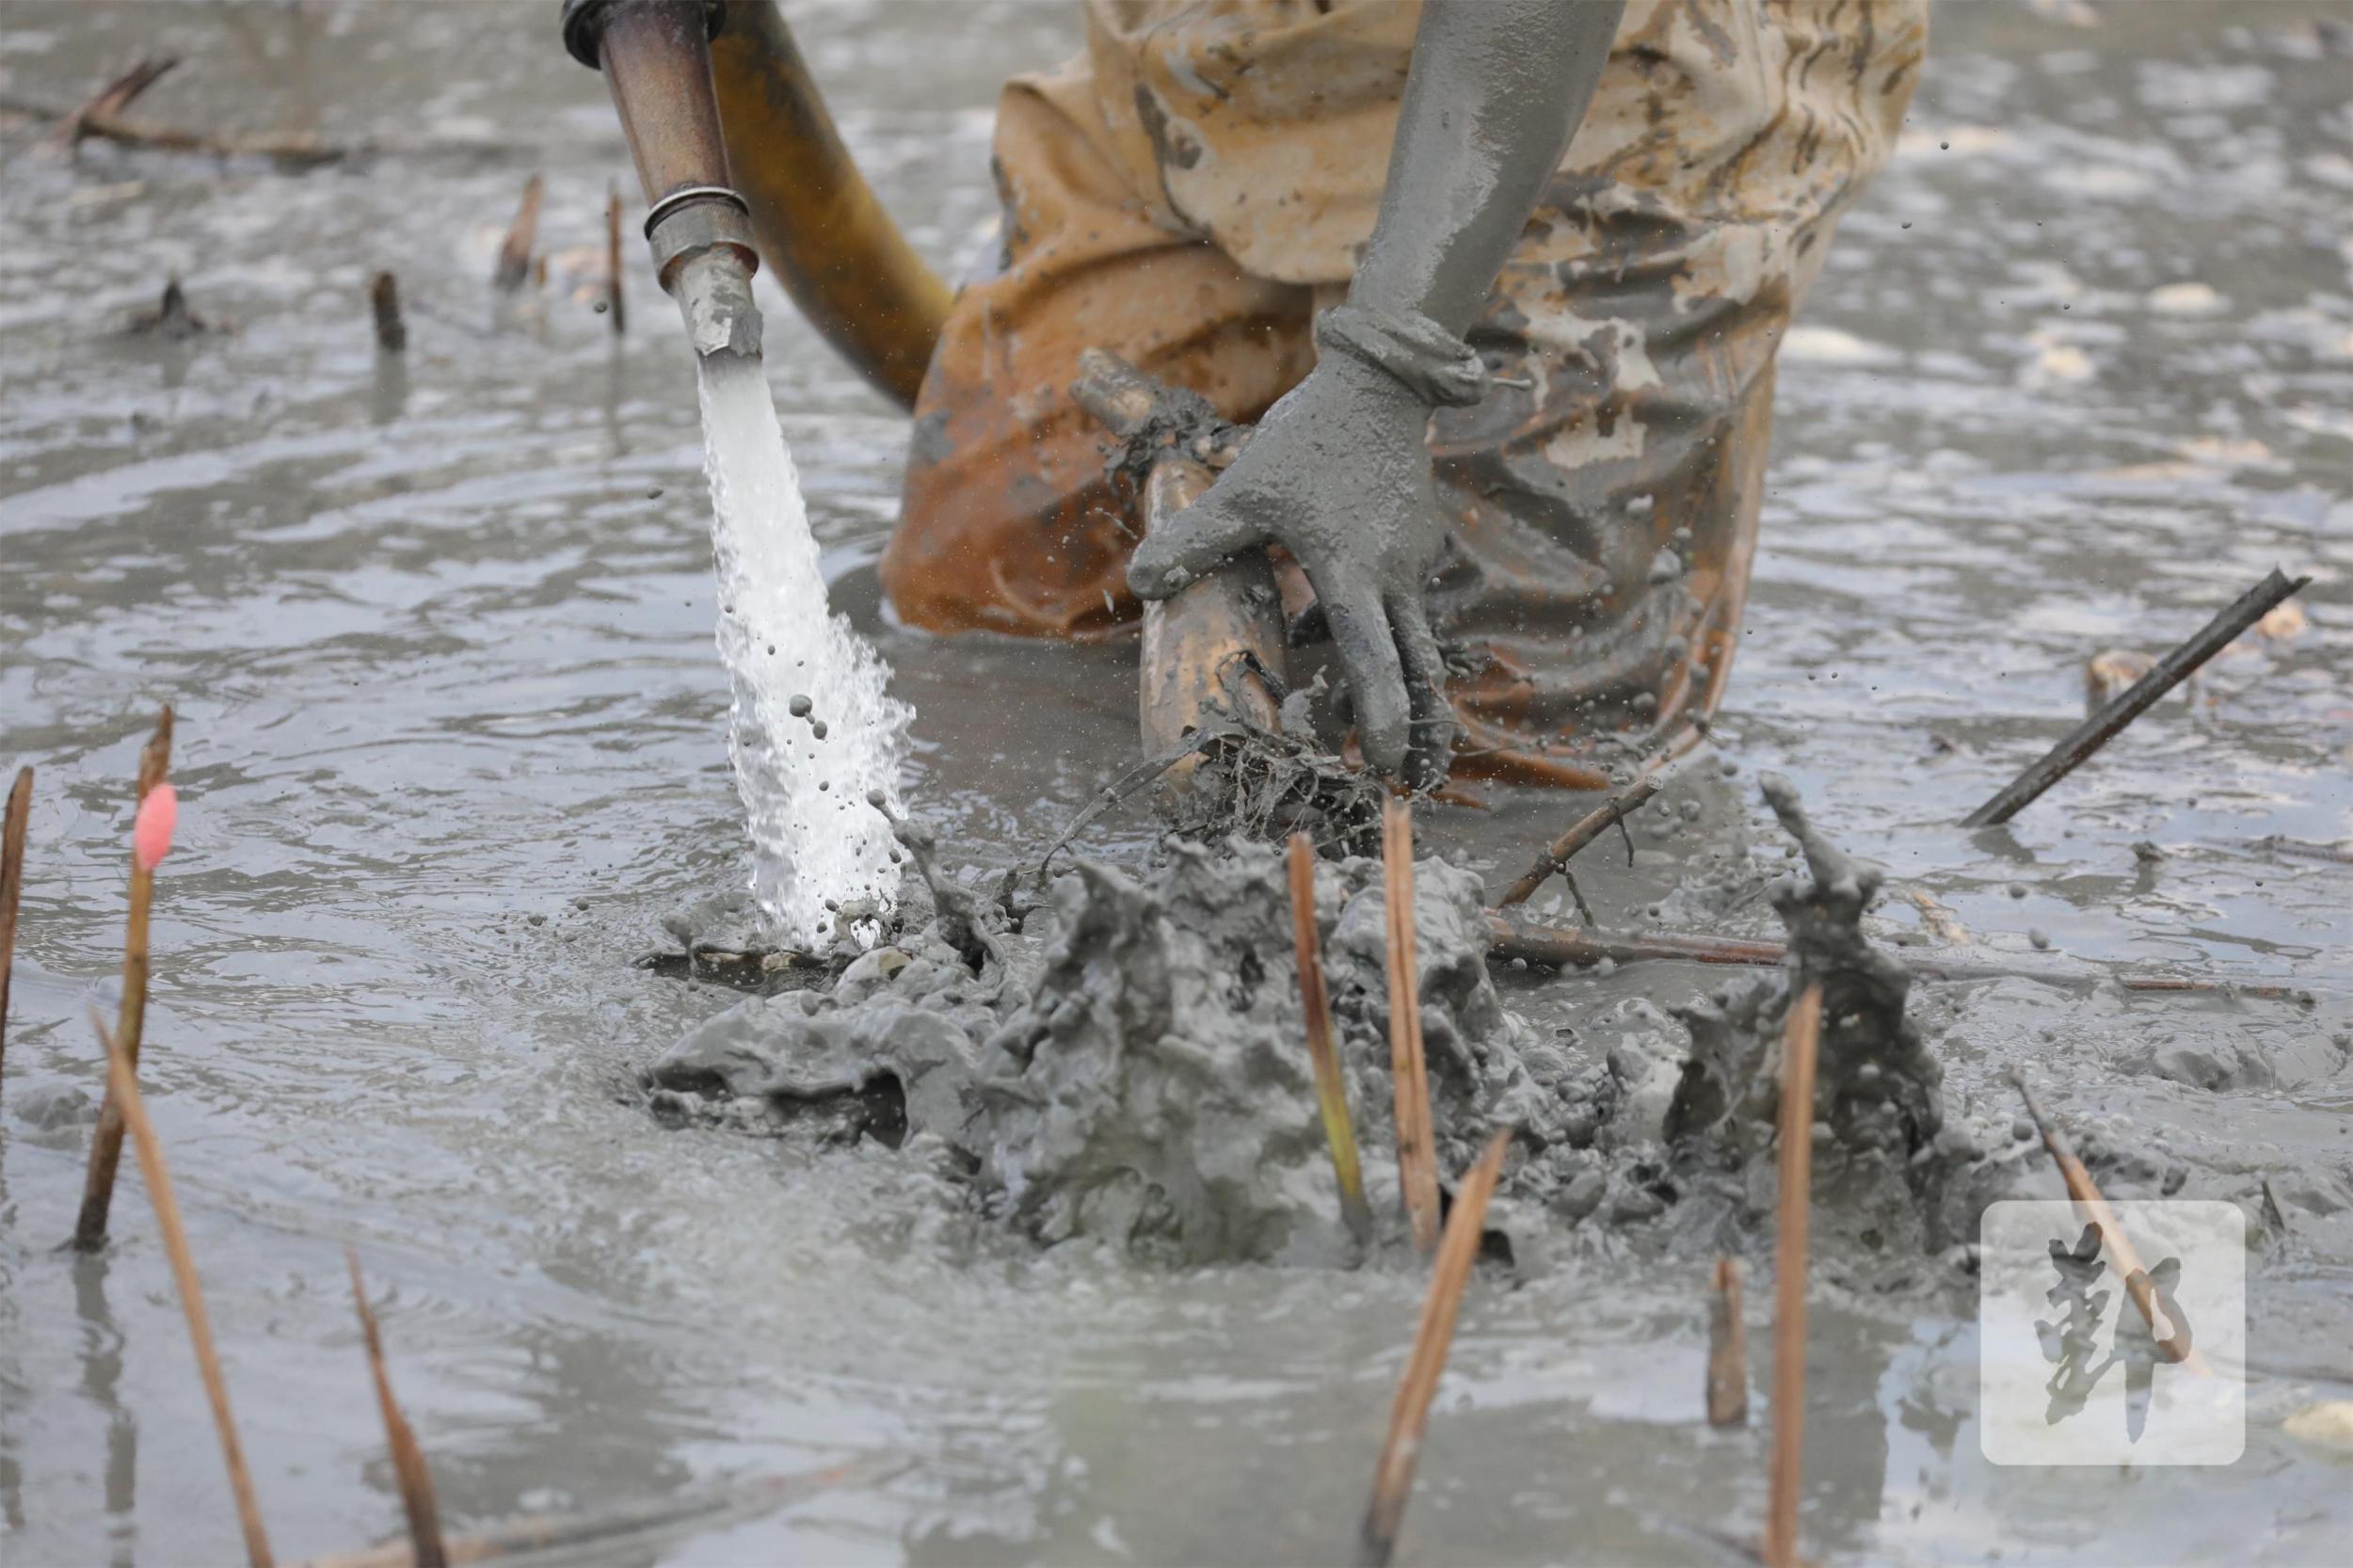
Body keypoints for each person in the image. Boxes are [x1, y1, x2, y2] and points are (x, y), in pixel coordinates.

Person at [879, 0, 1927, 789]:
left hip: (1616, 63)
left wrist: (1386, 366)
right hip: (1231, 46)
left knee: (1481, 747)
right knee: (986, 619)